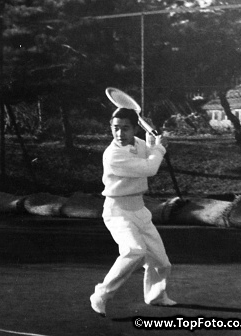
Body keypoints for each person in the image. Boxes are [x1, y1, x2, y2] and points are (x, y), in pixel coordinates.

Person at [90, 108, 176, 317]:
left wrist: (152, 137)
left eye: (125, 128)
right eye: (115, 128)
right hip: (117, 212)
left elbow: (147, 151)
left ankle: (156, 296)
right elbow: (150, 167)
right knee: (134, 250)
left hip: (139, 209)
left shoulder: (136, 143)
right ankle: (100, 294)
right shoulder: (113, 154)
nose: (120, 134)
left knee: (161, 262)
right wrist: (160, 149)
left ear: (134, 128)